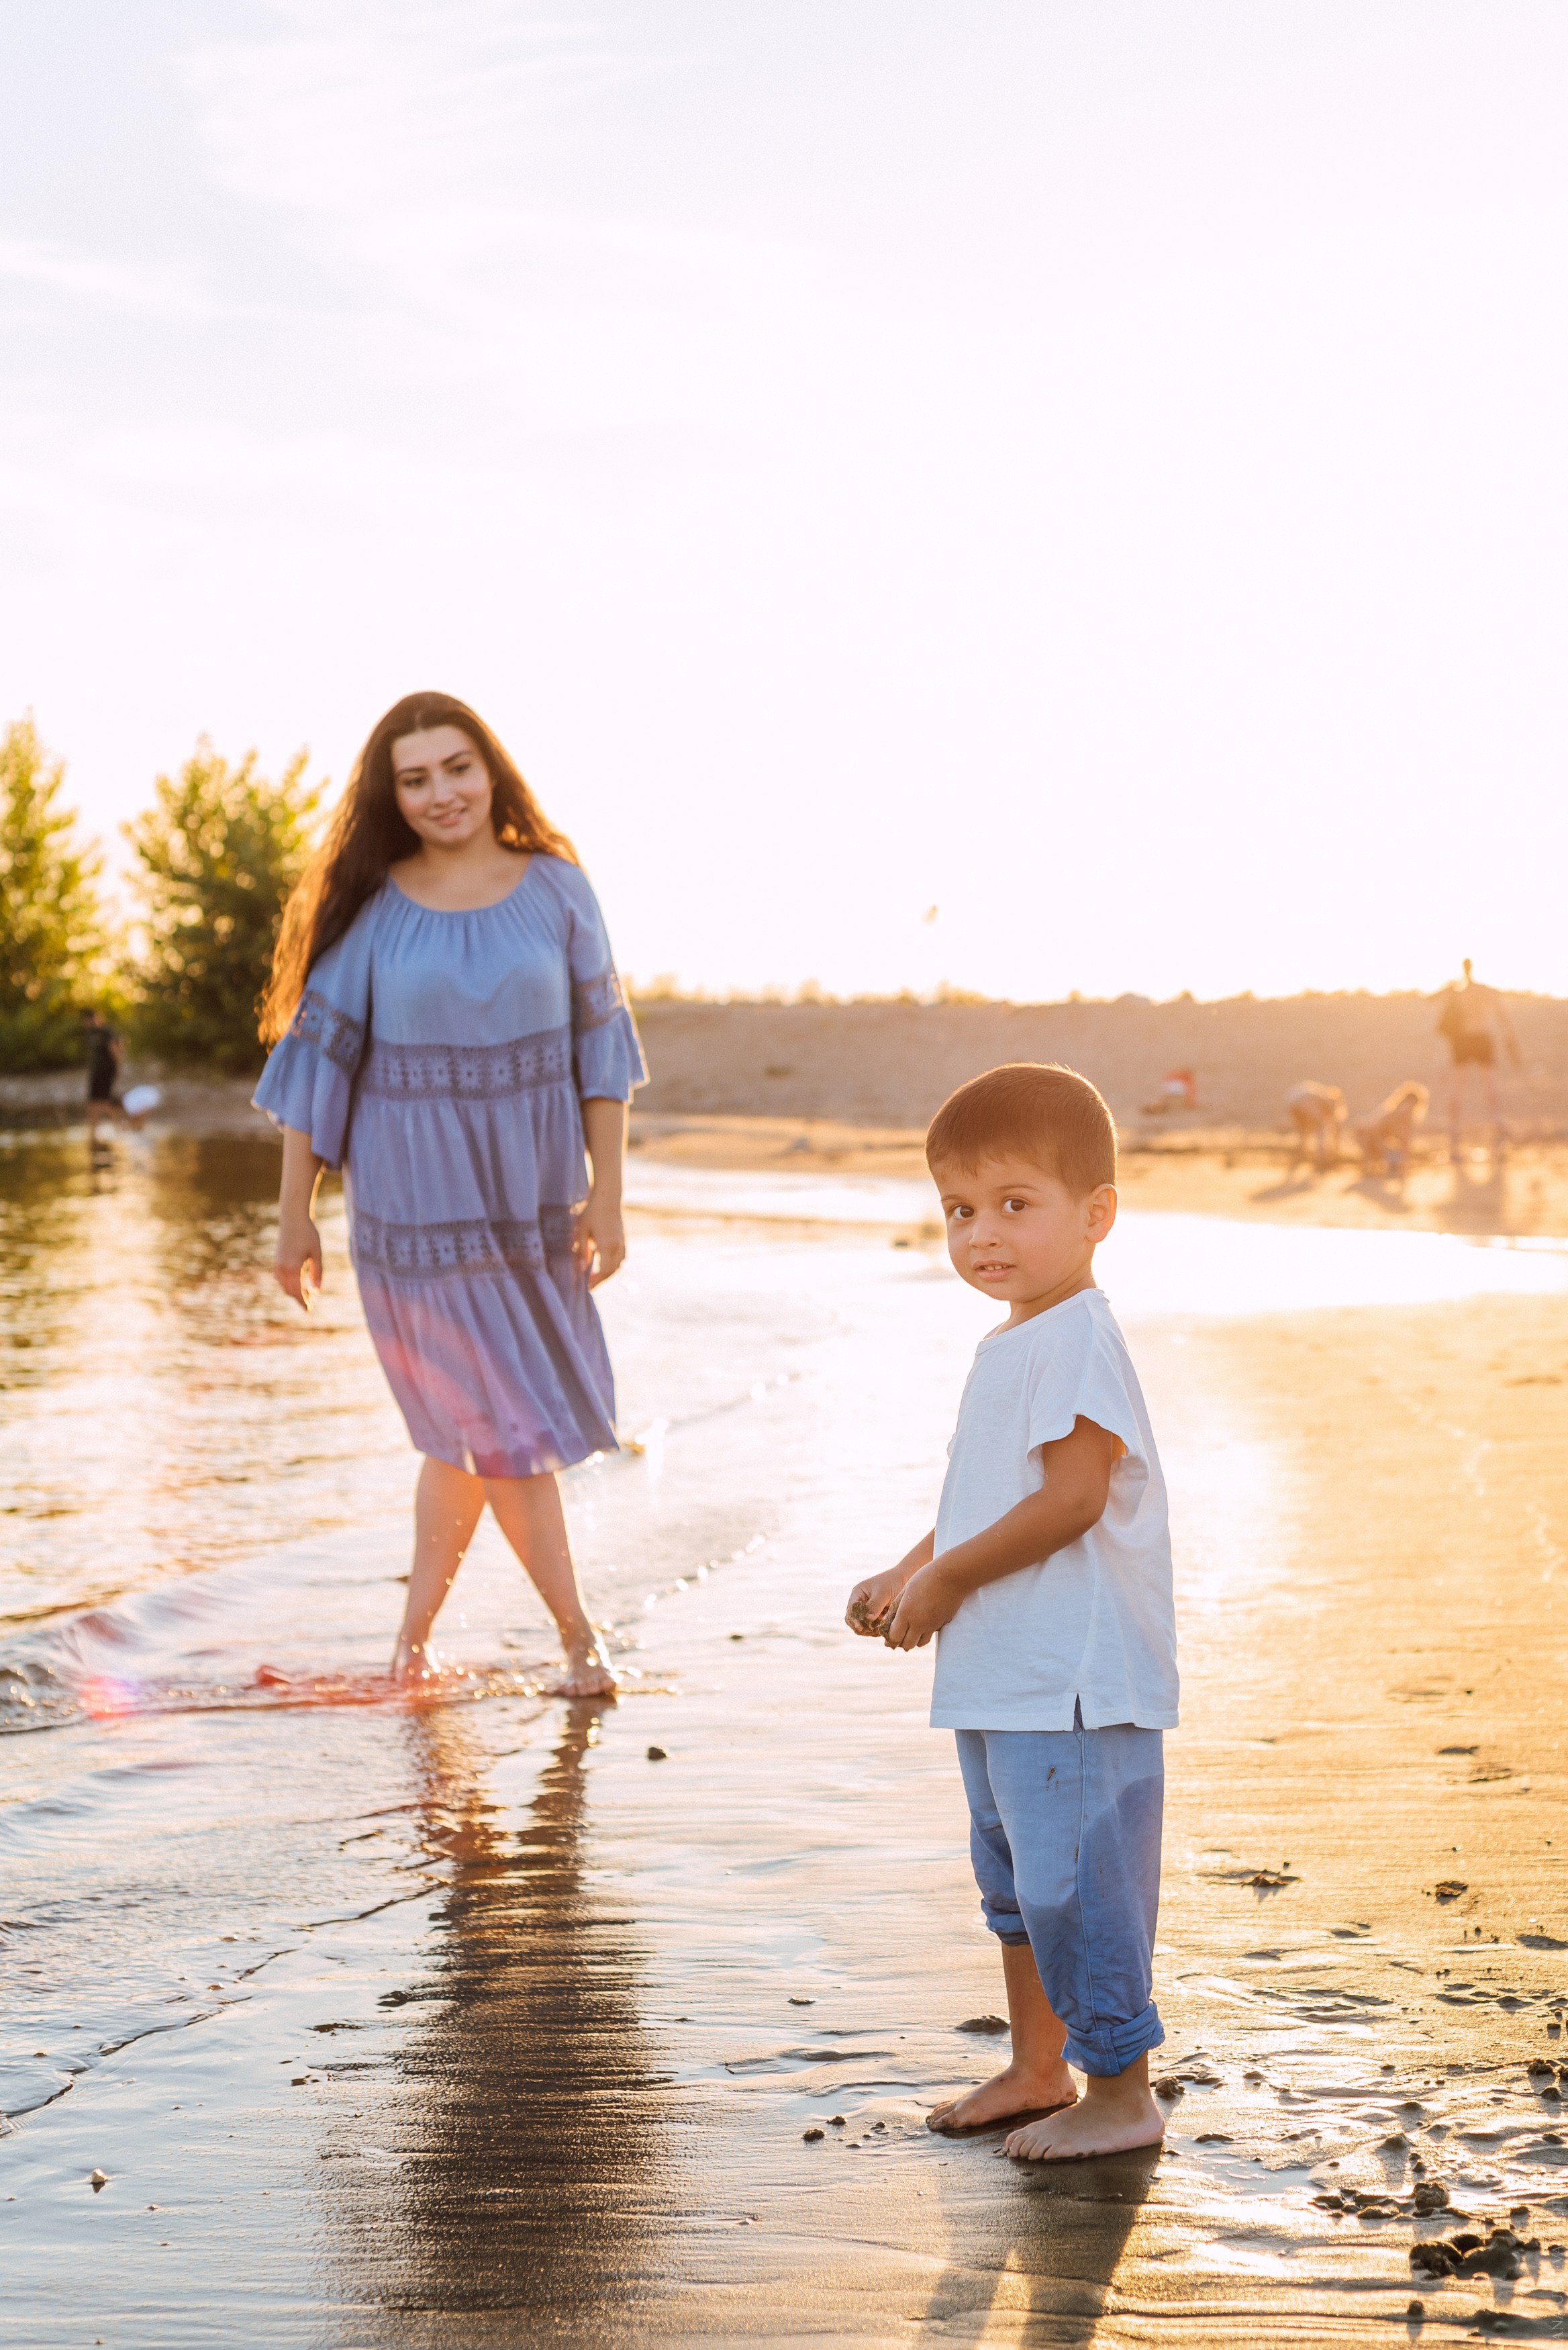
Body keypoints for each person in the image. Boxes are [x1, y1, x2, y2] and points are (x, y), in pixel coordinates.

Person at [254, 692, 647, 1698]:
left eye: (457, 767)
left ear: (491, 770)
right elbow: (319, 1068)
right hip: (413, 1212)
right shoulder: (374, 908)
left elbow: (602, 1051)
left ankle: (411, 1650)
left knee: (477, 1435)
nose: (441, 793)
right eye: (415, 778)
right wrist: (294, 1216)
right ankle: (579, 1644)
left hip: (531, 1206)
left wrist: (607, 1194)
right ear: (391, 795)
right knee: (496, 1429)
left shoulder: (558, 888)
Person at [845, 1062, 1176, 2163]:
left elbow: (1073, 1499)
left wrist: (946, 1584)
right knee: (1017, 1886)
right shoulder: (1015, 1340)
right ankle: (1040, 2067)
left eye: (1014, 1204)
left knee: (1076, 1886)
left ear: (1097, 1215)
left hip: (1071, 1679)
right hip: (1004, 1673)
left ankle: (1122, 2093)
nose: (981, 1233)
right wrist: (909, 1570)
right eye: (959, 1210)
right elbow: (984, 1499)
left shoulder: (1077, 1333)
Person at [1435, 959, 1519, 1155]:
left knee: (1460, 1086)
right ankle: (1495, 1123)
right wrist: (1509, 1036)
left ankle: (1454, 1129)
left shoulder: (1458, 992)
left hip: (1464, 1040)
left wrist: (1449, 989)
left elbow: (1433, 1001)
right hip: (1481, 1038)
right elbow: (1502, 1015)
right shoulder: (1483, 991)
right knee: (1489, 1084)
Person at [1355, 1080, 1428, 1179]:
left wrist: (1405, 1164)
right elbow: (1374, 1133)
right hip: (1368, 1136)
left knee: (1394, 1159)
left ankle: (1382, 1163)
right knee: (1383, 1153)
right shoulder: (1390, 1114)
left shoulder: (1408, 1121)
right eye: (1407, 1103)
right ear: (1402, 1101)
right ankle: (1369, 1165)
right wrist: (1382, 1152)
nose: (1408, 1108)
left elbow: (1406, 1143)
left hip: (1381, 1142)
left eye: (1412, 1105)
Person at [1285, 1080, 1346, 1170]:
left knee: (1303, 1131)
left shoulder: (1321, 1094)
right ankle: (1321, 1159)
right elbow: (1334, 1122)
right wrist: (1336, 1149)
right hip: (1302, 1101)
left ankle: (1301, 1155)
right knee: (1320, 1129)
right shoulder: (1328, 1100)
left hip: (1292, 1103)